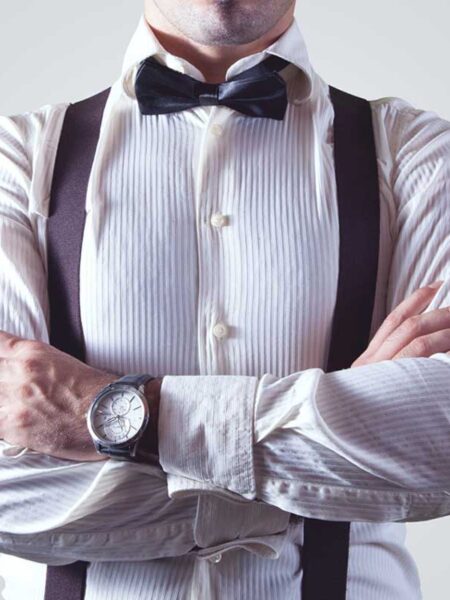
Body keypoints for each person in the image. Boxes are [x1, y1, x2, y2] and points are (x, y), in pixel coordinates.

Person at [0, 0, 450, 598]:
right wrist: (334, 453)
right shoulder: (17, 160)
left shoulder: (418, 154)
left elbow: (440, 439)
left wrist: (123, 418)